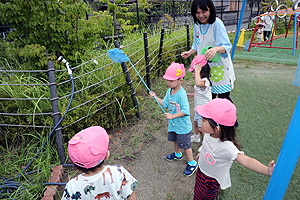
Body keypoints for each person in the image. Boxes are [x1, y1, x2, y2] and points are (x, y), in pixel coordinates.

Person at [193, 98, 275, 200]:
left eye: (204, 120)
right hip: (201, 171)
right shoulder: (209, 134)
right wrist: (202, 153)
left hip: (210, 180)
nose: (200, 121)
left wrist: (267, 170)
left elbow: (246, 160)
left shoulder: (226, 146)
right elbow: (207, 145)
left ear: (217, 129)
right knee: (197, 194)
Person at [181, 0, 237, 127]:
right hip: (205, 68)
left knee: (223, 97)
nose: (201, 15)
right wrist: (190, 52)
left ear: (210, 10)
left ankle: (231, 121)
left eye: (203, 12)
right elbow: (197, 44)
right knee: (209, 96)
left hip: (220, 68)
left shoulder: (217, 24)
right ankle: (213, 123)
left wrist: (215, 49)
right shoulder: (197, 25)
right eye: (197, 13)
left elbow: (227, 46)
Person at [61, 126, 138, 200]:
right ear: (106, 155)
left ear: (76, 164)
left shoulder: (72, 186)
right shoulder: (118, 172)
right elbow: (130, 194)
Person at [149, 62, 197, 177]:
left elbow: (185, 111)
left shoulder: (182, 94)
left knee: (186, 145)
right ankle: (177, 154)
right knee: (175, 140)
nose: (168, 82)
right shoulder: (169, 91)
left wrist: (172, 116)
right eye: (167, 80)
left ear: (180, 80)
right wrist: (155, 97)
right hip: (173, 125)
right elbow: (165, 104)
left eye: (171, 80)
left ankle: (192, 163)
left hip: (182, 126)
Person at [187, 55, 212, 143]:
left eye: (195, 72)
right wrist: (191, 94)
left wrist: (197, 71)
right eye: (193, 72)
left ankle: (206, 143)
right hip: (198, 109)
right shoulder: (201, 82)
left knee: (202, 128)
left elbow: (198, 84)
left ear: (203, 72)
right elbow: (200, 93)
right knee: (196, 123)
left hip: (205, 110)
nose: (193, 74)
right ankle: (196, 137)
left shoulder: (205, 81)